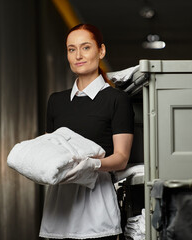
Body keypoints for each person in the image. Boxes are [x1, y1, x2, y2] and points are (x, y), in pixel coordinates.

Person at [39, 23, 134, 240]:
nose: (78, 55)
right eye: (71, 49)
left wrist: (93, 164)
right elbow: (51, 154)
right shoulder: (56, 101)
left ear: (101, 51)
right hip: (58, 209)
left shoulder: (116, 100)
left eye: (85, 47)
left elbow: (121, 158)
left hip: (97, 207)